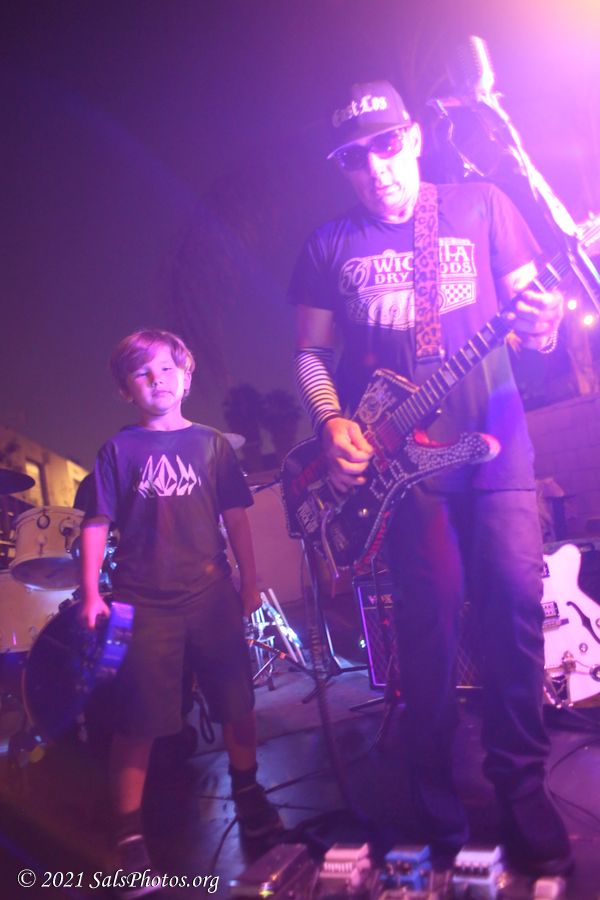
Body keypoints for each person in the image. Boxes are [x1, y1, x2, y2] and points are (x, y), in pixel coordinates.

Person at [288, 81, 572, 883]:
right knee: (426, 633)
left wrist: (546, 322)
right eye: (354, 157)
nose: (374, 167)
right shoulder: (329, 244)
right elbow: (310, 353)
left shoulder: (482, 204)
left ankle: (522, 789)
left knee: (514, 612)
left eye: (386, 145)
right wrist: (330, 421)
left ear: (412, 138)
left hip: (496, 450)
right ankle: (435, 803)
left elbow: (537, 319)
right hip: (404, 475)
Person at [79, 329, 282, 887]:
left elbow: (236, 518)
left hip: (211, 595)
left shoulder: (212, 445)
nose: (157, 380)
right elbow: (95, 522)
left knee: (237, 702)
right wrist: (92, 592)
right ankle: (127, 833)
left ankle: (248, 792)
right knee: (137, 719)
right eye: (142, 373)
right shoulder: (117, 451)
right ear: (126, 389)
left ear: (185, 377)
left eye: (166, 369)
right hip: (141, 602)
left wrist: (249, 582)